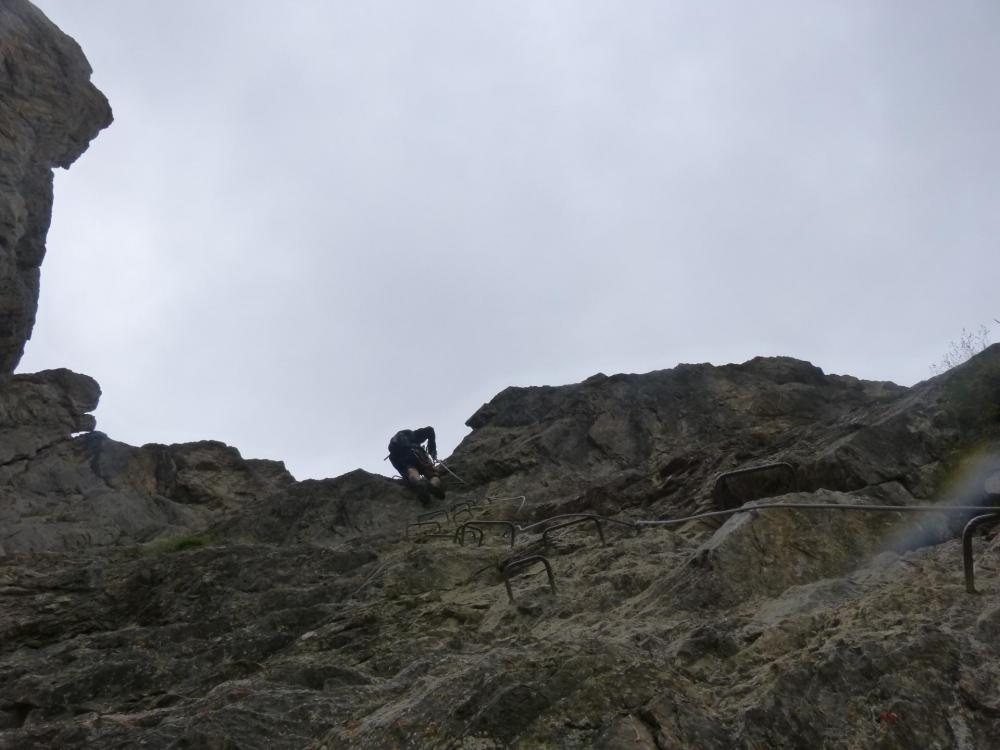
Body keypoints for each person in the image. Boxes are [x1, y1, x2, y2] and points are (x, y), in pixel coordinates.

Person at [387, 426, 445, 502]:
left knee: (411, 469)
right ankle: (433, 485)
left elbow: (400, 468)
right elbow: (430, 430)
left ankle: (419, 484)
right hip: (415, 452)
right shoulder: (412, 434)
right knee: (432, 474)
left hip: (401, 459)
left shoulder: (393, 452)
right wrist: (432, 450)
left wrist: (405, 476)